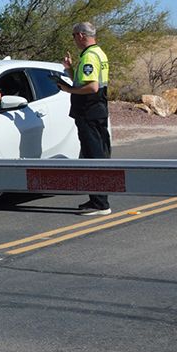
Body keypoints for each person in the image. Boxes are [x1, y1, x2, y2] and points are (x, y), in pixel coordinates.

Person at [54, 21, 111, 216]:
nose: (74, 40)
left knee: (93, 156)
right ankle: (98, 199)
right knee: (98, 154)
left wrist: (68, 89)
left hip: (89, 111)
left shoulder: (89, 56)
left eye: (73, 36)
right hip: (98, 110)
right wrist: (69, 70)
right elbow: (85, 81)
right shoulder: (99, 53)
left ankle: (100, 203)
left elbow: (92, 87)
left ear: (80, 35)